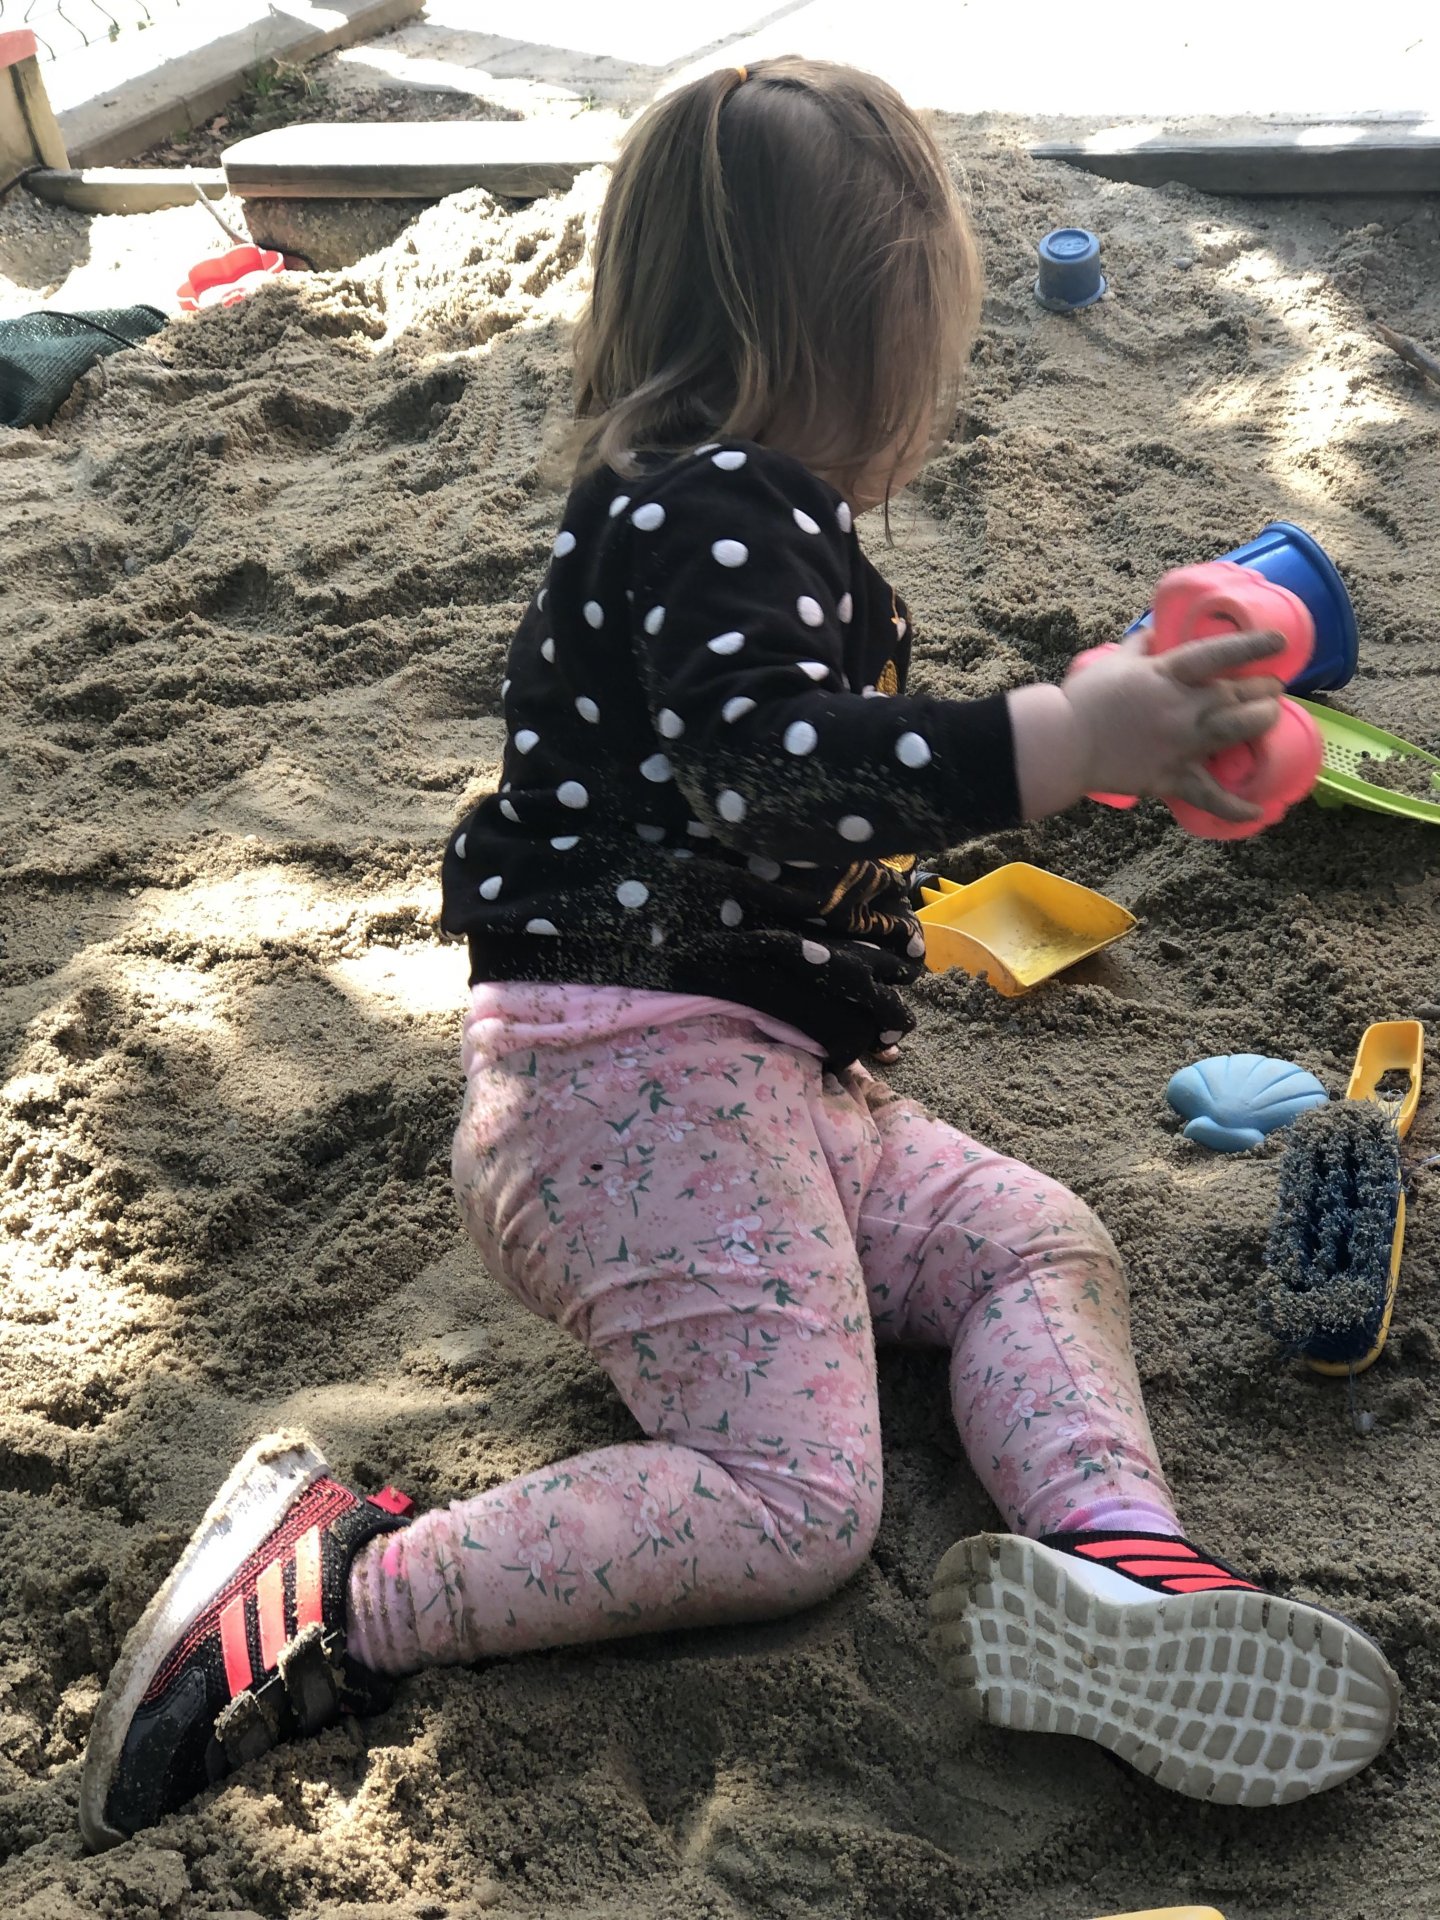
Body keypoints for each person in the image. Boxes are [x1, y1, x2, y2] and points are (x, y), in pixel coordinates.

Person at [80, 57, 1399, 1850]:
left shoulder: (721, 521)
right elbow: (770, 775)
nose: (935, 393)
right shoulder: (709, 506)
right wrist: (1066, 737)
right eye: (926, 344)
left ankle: (1119, 1563)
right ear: (843, 340)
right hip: (628, 1094)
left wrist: (1096, 734)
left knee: (1030, 1240)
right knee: (793, 1503)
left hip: (751, 1091)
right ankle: (333, 1595)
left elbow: (805, 773)